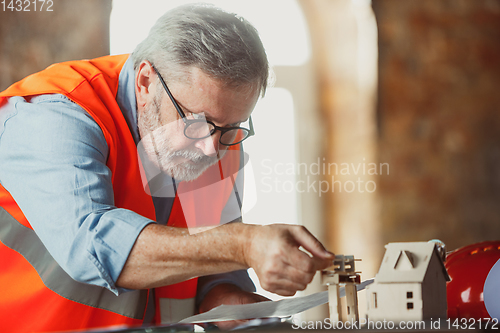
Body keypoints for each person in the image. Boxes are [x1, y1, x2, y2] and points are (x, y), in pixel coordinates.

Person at [0, 4, 334, 332]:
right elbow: (92, 244)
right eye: (194, 122)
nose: (210, 148)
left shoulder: (220, 136)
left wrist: (229, 302)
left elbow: (211, 270)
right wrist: (244, 245)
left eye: (231, 125)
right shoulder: (55, 116)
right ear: (146, 82)